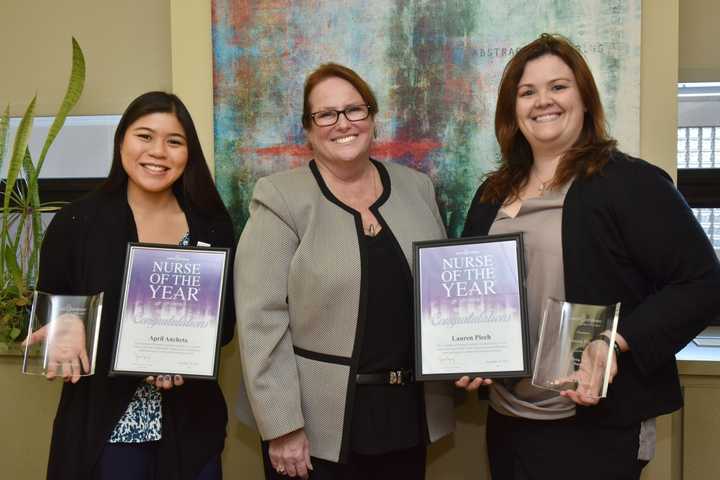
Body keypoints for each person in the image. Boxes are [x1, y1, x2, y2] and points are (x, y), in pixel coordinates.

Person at [459, 33, 720, 479]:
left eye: (558, 86)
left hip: (598, 425)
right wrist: (466, 348)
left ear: (584, 99)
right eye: (527, 91)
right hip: (508, 419)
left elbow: (704, 284)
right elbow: (469, 289)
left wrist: (616, 340)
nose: (543, 101)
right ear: (513, 110)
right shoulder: (491, 195)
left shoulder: (631, 184)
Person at [234, 63, 454, 479]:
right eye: (326, 114)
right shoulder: (280, 198)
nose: (343, 123)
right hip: (315, 430)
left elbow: (443, 296)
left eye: (354, 110)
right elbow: (259, 320)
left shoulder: (417, 188)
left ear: (372, 118)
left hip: (406, 417)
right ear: (308, 128)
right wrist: (282, 426)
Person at [32, 92, 236, 480]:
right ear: (121, 140)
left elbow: (224, 326)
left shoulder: (212, 224)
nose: (158, 152)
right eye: (144, 136)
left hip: (191, 427)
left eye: (174, 141)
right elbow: (49, 311)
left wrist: (180, 358)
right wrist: (69, 322)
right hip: (107, 427)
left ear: (188, 152)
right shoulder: (77, 223)